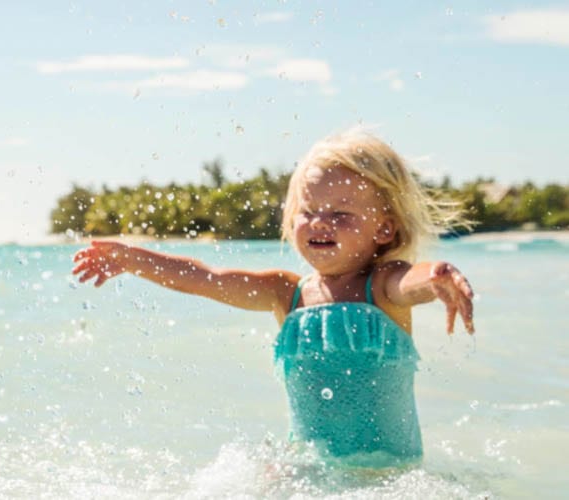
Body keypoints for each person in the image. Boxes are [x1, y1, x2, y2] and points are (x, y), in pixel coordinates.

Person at [71, 127, 474, 465]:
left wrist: (435, 278)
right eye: (309, 210)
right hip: (311, 475)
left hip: (388, 478)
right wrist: (133, 258)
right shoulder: (287, 294)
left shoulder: (382, 287)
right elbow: (206, 277)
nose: (320, 222)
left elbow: (409, 283)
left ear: (384, 230)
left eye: (340, 214)